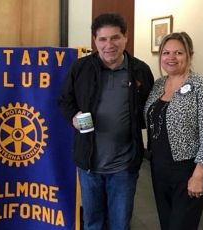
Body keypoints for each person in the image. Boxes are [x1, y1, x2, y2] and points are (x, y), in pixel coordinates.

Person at [58, 13, 154, 230]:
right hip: (89, 164)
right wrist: (73, 117)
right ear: (95, 40)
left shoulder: (140, 70)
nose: (109, 45)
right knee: (93, 223)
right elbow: (64, 100)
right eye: (103, 39)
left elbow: (149, 110)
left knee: (120, 224)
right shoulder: (80, 68)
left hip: (124, 166)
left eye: (115, 38)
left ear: (125, 37)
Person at [144, 32, 203, 230]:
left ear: (189, 55)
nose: (171, 58)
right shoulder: (158, 85)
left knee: (182, 225)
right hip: (159, 167)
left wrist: (198, 175)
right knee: (167, 222)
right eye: (166, 53)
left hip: (188, 169)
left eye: (178, 53)